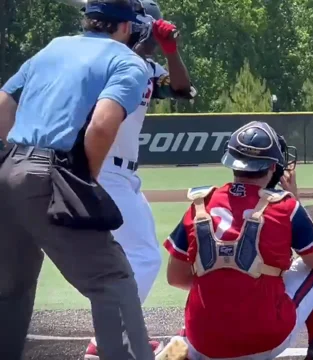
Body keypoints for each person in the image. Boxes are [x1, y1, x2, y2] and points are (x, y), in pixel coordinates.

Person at [0, 1, 156, 359]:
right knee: (113, 281)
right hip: (49, 172)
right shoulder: (127, 61)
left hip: (8, 170)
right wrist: (85, 180)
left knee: (11, 288)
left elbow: (4, 102)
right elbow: (102, 124)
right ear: (128, 27)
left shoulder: (55, 45)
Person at [156, 121, 313, 360]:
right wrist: (296, 200)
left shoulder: (200, 204)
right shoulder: (285, 206)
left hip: (204, 343)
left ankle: (184, 345)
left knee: (206, 285)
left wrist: (226, 280)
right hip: (264, 342)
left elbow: (175, 278)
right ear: (273, 166)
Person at [84, 1, 197, 358]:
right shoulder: (106, 59)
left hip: (125, 175)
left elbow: (183, 90)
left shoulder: (144, 67)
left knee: (129, 256)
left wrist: (171, 49)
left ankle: (119, 334)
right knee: (145, 257)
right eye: (154, 25)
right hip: (102, 168)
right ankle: (105, 342)